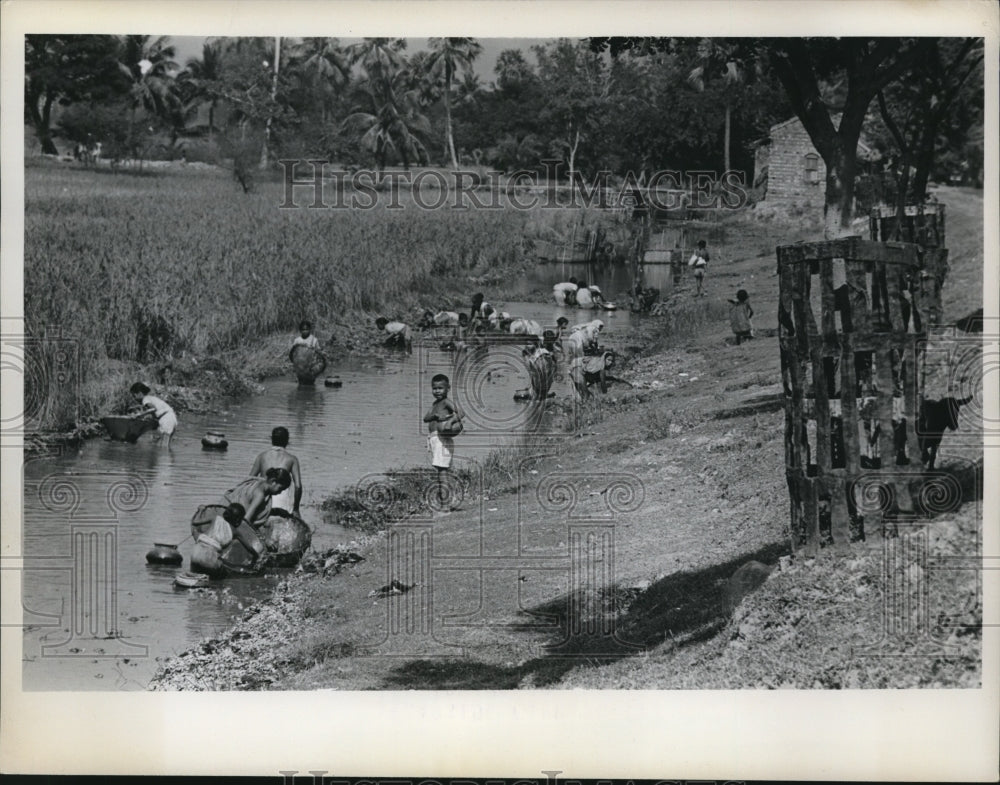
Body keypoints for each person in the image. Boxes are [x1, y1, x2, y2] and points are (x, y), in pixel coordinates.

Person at [190, 502, 266, 578]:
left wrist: (201, 510)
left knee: (199, 570)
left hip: (195, 554)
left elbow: (195, 522)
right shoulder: (235, 531)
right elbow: (249, 548)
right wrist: (257, 556)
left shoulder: (215, 518)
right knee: (224, 574)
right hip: (211, 560)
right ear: (238, 520)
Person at [423, 373, 464, 508]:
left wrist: (449, 421)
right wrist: (434, 415)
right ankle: (445, 498)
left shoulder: (446, 402)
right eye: (435, 388)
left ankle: (445, 502)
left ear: (448, 388)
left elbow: (461, 413)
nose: (437, 391)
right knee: (440, 469)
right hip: (435, 438)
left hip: (442, 438)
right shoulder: (436, 403)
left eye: (441, 388)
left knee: (442, 470)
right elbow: (425, 418)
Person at [250, 427, 303, 515]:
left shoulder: (262, 456)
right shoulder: (292, 459)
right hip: (282, 502)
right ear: (287, 441)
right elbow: (298, 486)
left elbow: (250, 480)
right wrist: (296, 509)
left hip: (263, 499)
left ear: (272, 439)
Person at [222, 468, 292, 529]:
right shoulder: (260, 495)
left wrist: (276, 511)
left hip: (225, 511)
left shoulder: (260, 482)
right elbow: (245, 521)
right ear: (273, 482)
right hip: (232, 521)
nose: (280, 492)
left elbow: (253, 507)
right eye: (280, 489)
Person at [130, 382, 177, 448]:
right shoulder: (151, 398)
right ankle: (168, 457)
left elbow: (153, 408)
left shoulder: (145, 399)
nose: (134, 398)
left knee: (163, 446)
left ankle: (164, 457)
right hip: (172, 417)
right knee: (166, 444)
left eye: (134, 396)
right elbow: (155, 412)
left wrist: (140, 415)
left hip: (166, 419)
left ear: (140, 393)